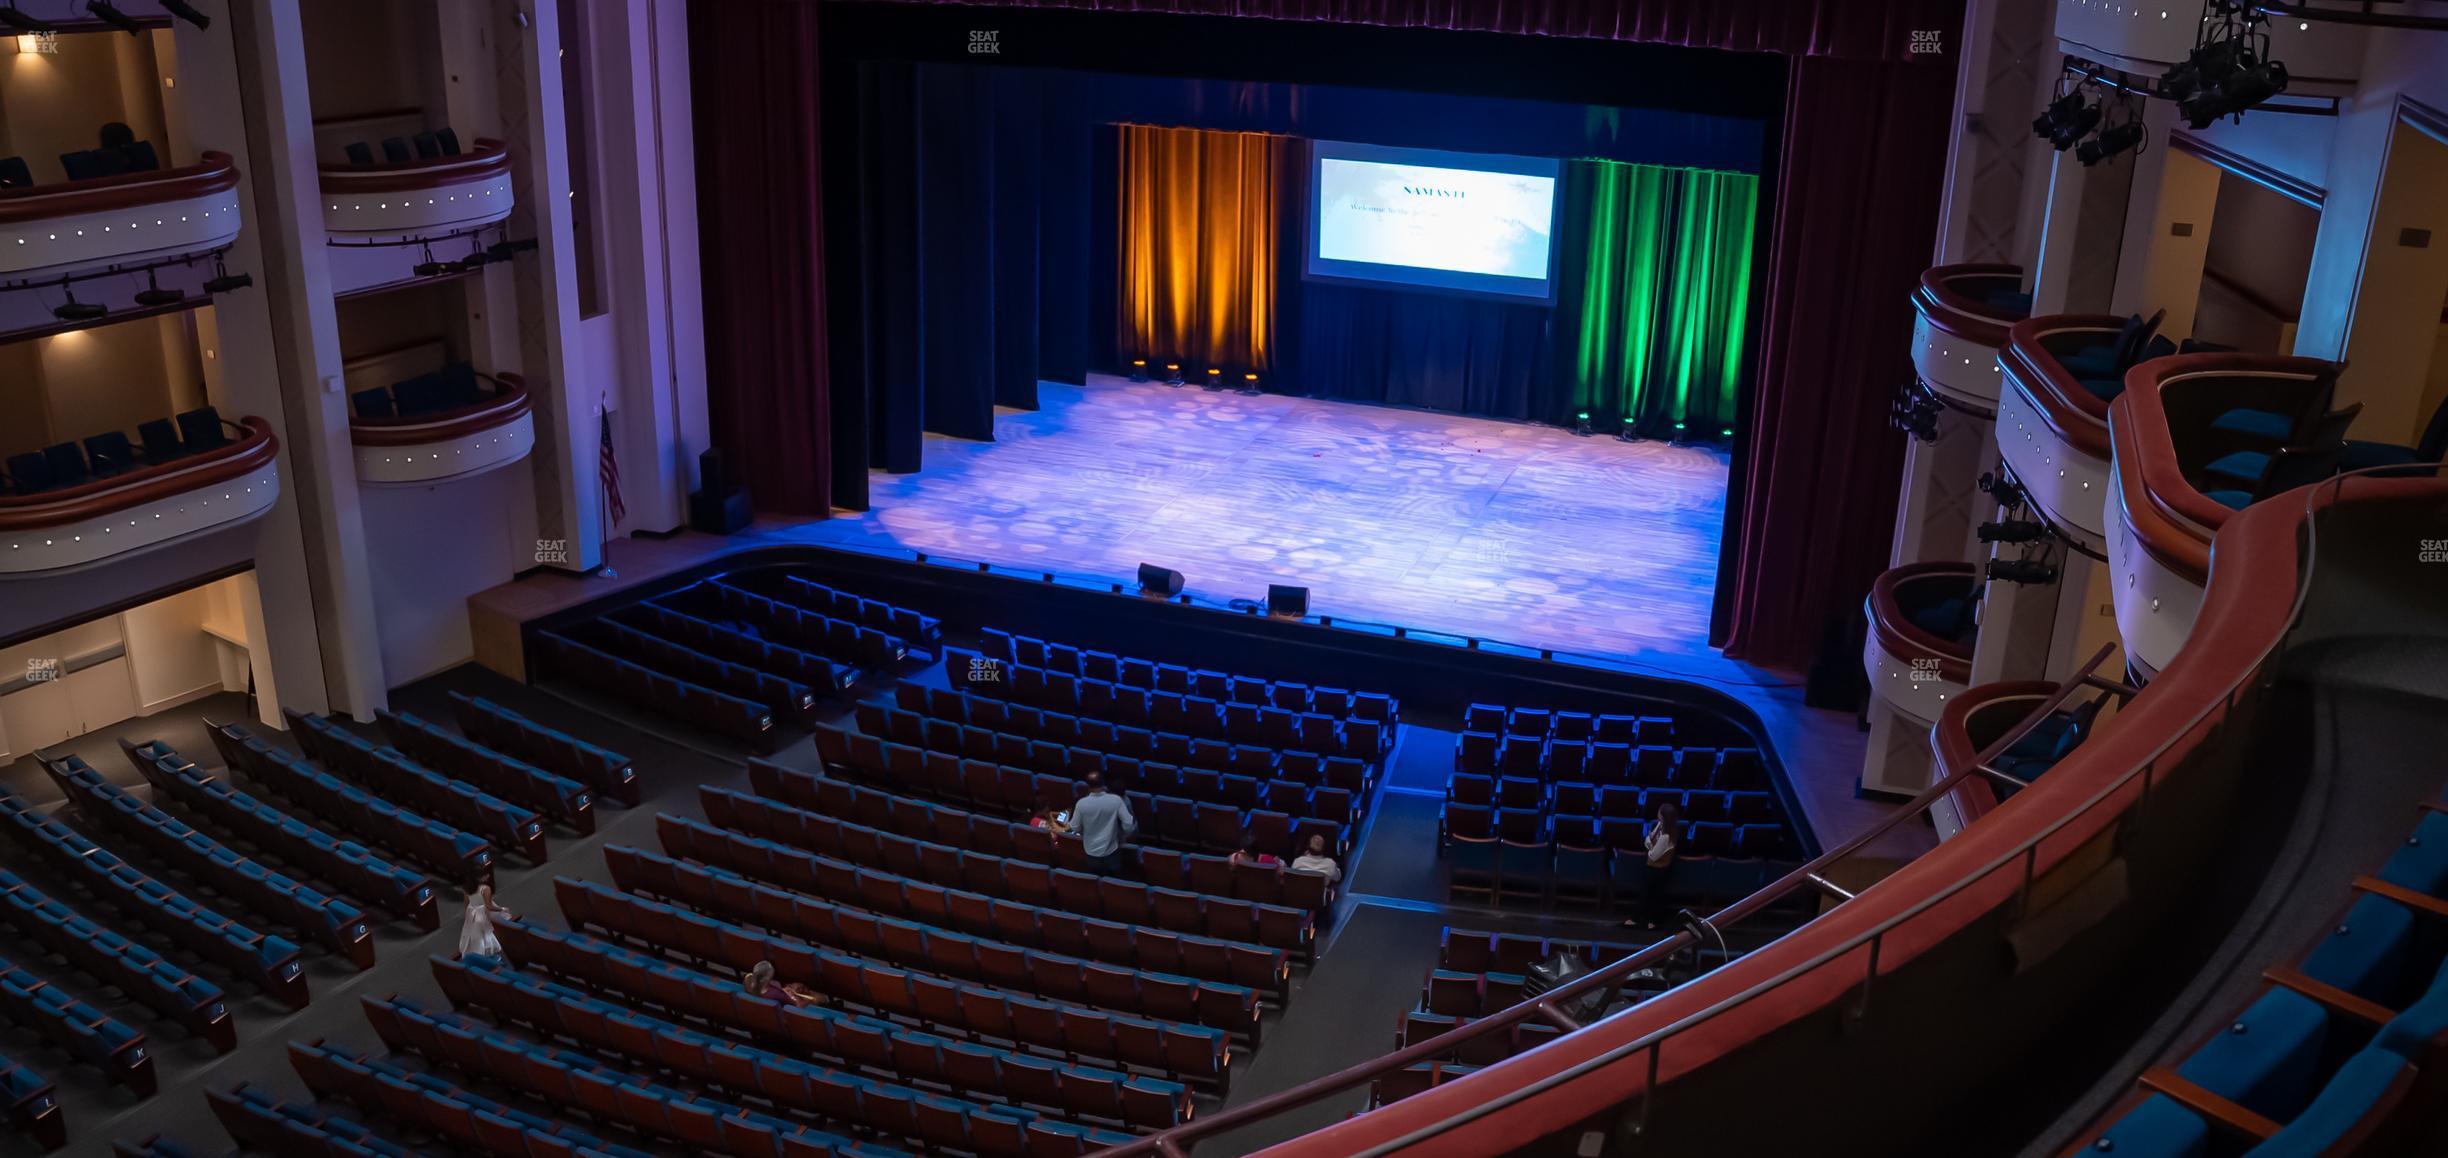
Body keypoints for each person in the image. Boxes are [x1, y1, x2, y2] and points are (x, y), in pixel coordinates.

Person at [1624, 800, 1682, 930]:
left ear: (1662, 816)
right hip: (1655, 869)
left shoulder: (1666, 836)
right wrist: (1650, 843)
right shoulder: (1661, 826)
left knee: (1652, 897)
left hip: (1657, 870)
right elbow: (1647, 842)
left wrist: (1650, 844)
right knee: (1647, 895)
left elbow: (1652, 855)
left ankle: (1649, 922)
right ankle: (1640, 920)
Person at [1071, 772, 1136, 877]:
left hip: (1090, 851)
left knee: (1095, 879)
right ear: (1103, 784)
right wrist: (1122, 835)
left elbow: (1075, 827)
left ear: (1088, 786)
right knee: (1112, 881)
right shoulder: (1116, 801)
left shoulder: (1081, 803)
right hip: (1111, 851)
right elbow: (1129, 826)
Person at [458, 883, 514, 960]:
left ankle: (478, 951)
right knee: (487, 931)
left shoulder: (467, 888)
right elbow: (489, 906)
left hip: (472, 911)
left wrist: (469, 914)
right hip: (482, 912)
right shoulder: (485, 889)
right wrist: (502, 909)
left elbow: (466, 903)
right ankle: (489, 951)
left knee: (477, 933)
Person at [742, 960, 825, 1008]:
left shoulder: (763, 988)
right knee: (820, 998)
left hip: (790, 994)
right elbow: (798, 1006)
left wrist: (789, 988)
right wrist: (808, 999)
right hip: (797, 1004)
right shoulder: (774, 994)